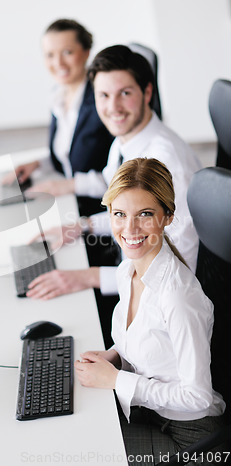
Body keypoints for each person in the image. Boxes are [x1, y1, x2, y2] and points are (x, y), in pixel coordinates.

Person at [74, 158, 226, 465]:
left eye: (144, 214)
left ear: (167, 216)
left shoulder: (177, 297)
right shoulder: (127, 270)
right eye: (119, 214)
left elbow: (197, 396)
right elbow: (149, 340)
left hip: (191, 438)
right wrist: (114, 355)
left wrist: (117, 380)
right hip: (151, 415)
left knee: (85, 450)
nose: (129, 229)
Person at [26, 45, 201, 301]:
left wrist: (91, 277)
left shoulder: (167, 164)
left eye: (125, 93)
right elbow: (132, 213)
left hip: (152, 297)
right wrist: (82, 226)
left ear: (147, 92)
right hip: (127, 258)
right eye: (103, 95)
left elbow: (180, 264)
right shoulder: (124, 140)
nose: (113, 107)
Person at [3, 19, 113, 217]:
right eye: (49, 55)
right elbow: (68, 154)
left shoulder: (104, 100)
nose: (58, 63)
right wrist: (39, 163)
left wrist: (70, 185)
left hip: (101, 211)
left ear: (86, 52)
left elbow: (125, 173)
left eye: (67, 52)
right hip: (72, 200)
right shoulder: (58, 95)